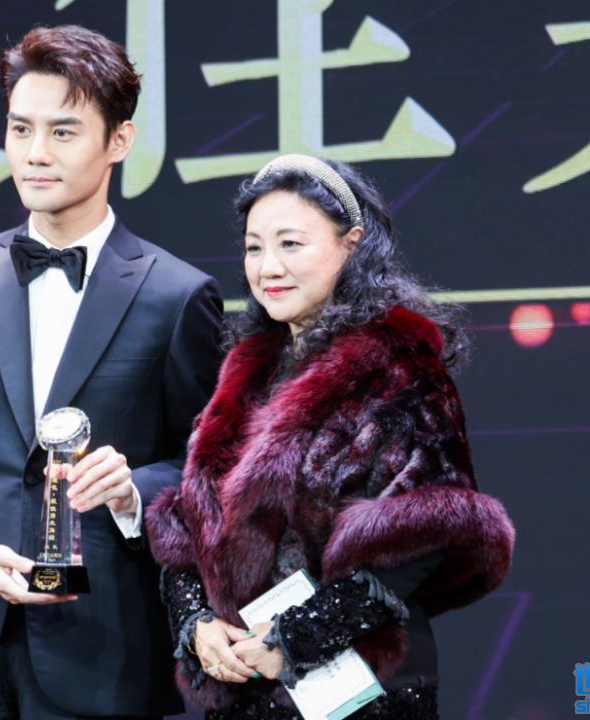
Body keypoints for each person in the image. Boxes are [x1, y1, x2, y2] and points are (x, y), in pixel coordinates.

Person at [0, 25, 223, 720]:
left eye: (63, 132)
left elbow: (211, 468)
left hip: (105, 658)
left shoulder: (176, 295)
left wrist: (132, 491)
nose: (35, 153)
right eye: (20, 128)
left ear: (119, 140)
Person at [145, 155, 515, 719]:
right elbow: (189, 528)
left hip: (364, 693)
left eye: (291, 244)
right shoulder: (246, 371)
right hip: (246, 695)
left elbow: (421, 535)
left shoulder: (398, 366)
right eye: (253, 248)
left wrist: (293, 638)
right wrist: (197, 624)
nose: (268, 266)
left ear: (351, 244)